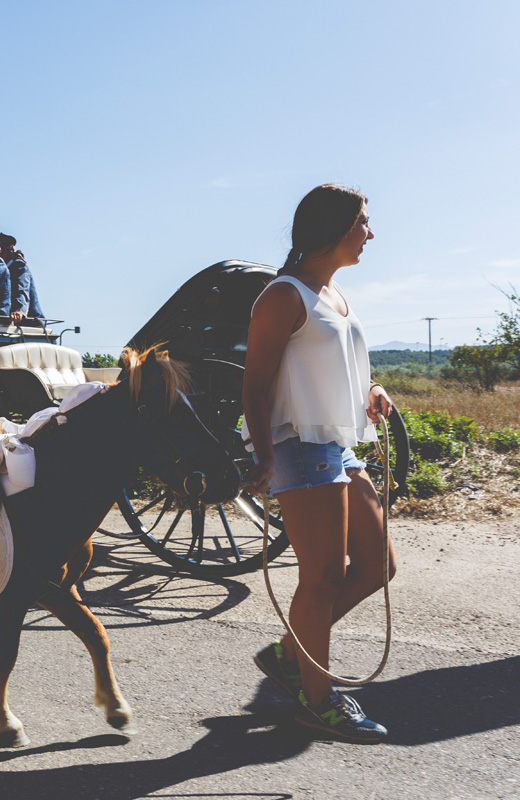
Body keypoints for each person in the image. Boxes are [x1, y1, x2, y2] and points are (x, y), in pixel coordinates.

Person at [241, 184, 397, 744]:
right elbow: (255, 385)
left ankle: (291, 656)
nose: (369, 233)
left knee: (378, 565)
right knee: (324, 577)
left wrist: (373, 390)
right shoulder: (283, 296)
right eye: (362, 221)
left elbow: (346, 370)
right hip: (298, 444)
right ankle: (320, 698)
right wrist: (261, 456)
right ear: (331, 227)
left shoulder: (333, 295)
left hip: (338, 441)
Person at [0, 234, 44, 324]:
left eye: (1, 247)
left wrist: (19, 310)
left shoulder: (18, 266)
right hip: (9, 320)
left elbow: (22, 289)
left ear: (10, 249)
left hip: (27, 322)